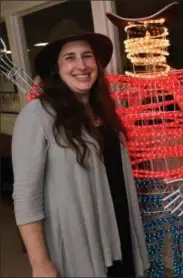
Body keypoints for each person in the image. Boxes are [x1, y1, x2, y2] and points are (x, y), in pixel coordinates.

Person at [11, 20, 149, 277]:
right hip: (80, 240)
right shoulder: (37, 115)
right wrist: (40, 263)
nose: (81, 66)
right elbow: (26, 197)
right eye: (70, 58)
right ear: (56, 68)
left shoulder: (103, 111)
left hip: (119, 230)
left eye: (87, 56)